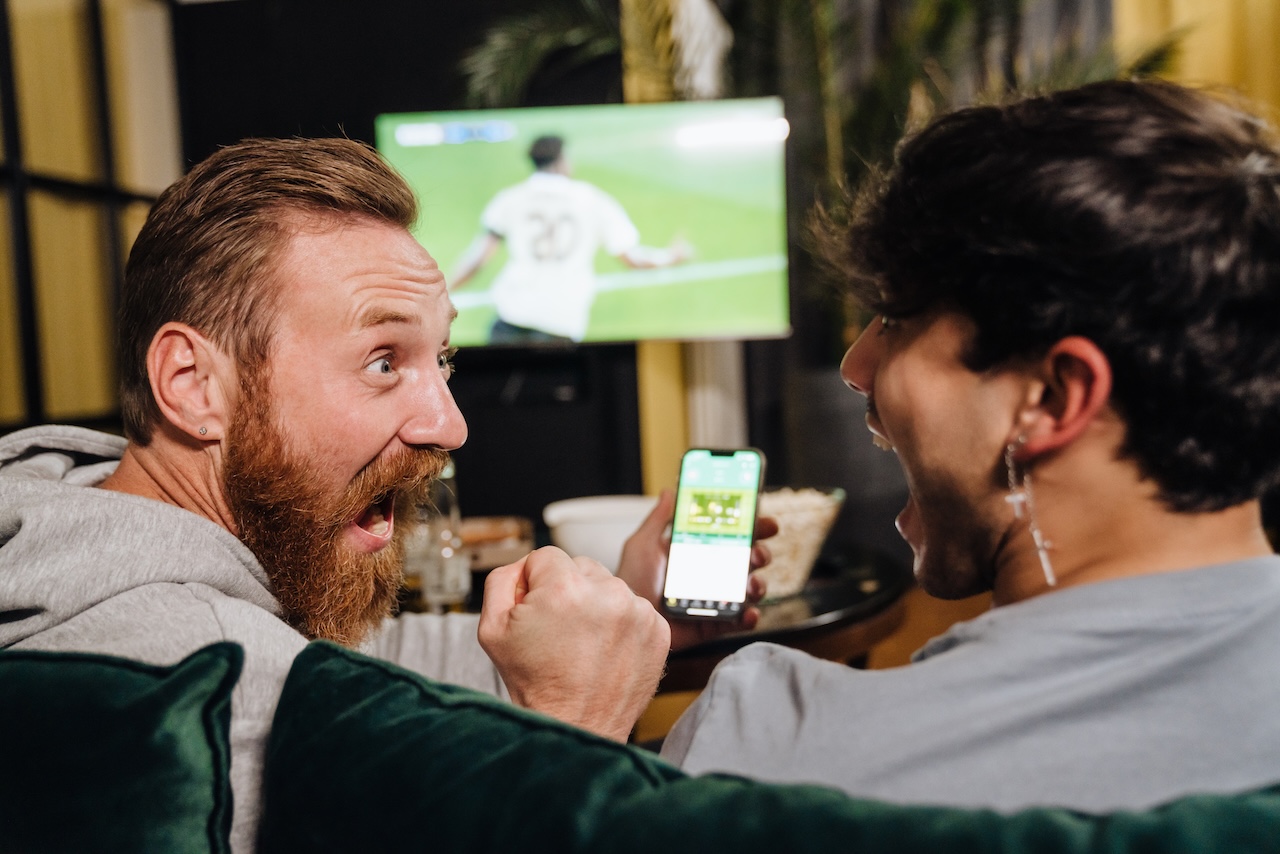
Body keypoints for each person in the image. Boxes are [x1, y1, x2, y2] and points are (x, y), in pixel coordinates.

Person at [0, 137, 768, 853]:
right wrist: (578, 728)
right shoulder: (198, 686)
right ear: (193, 385)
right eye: (382, 361)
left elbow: (351, 664)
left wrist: (605, 624)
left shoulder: (69, 514)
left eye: (442, 358)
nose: (452, 424)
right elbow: (288, 678)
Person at [661, 79, 1280, 812]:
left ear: (1052, 397)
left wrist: (573, 706)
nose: (856, 367)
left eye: (894, 319)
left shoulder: (771, 752)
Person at [450, 134, 691, 344]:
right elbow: (632, 258)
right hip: (561, 321)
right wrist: (671, 257)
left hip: (512, 317)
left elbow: (478, 259)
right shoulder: (593, 199)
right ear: (561, 160)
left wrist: (445, 289)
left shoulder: (510, 198)